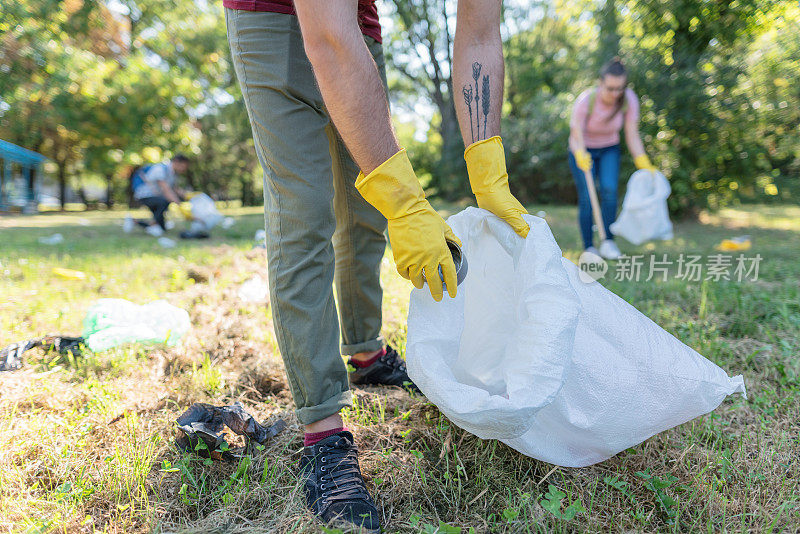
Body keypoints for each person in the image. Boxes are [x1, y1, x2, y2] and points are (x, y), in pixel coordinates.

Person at [224, 0, 527, 530]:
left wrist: (488, 169)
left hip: (357, 26)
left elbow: (479, 36)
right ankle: (323, 429)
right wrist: (409, 201)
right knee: (305, 212)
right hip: (274, 16)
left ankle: (365, 352)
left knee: (364, 214)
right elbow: (329, 38)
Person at [568, 57, 657, 259]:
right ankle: (589, 246)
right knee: (587, 197)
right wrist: (581, 154)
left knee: (609, 191)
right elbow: (575, 132)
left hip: (609, 148)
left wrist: (642, 160)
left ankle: (608, 241)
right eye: (610, 88)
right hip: (583, 149)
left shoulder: (628, 99)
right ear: (601, 83)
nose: (615, 93)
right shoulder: (586, 100)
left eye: (620, 88)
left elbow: (632, 133)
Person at [126, 154, 191, 236]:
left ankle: (134, 221)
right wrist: (179, 205)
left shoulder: (173, 174)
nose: (184, 169)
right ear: (176, 162)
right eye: (183, 166)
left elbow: (175, 188)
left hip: (155, 197)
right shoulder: (160, 169)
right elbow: (165, 189)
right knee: (165, 201)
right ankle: (153, 224)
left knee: (161, 228)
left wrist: (191, 197)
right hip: (144, 195)